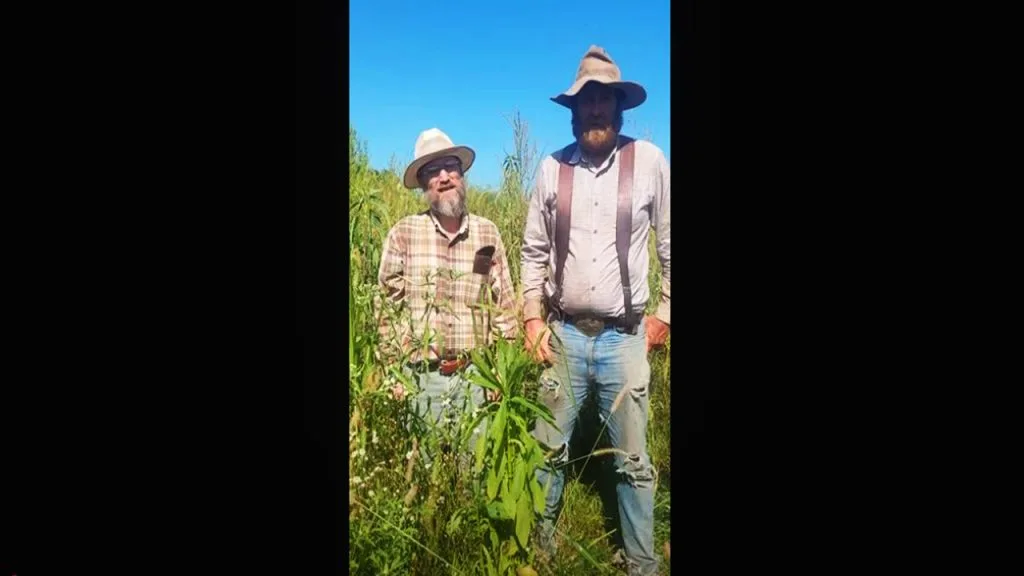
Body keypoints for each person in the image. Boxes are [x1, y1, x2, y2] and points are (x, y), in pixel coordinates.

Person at [520, 46, 670, 576]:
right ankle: (539, 553)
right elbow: (533, 251)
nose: (596, 109)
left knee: (632, 463)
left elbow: (673, 244)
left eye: (604, 97)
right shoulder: (550, 168)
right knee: (548, 452)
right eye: (586, 100)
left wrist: (666, 315)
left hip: (624, 339)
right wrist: (533, 319)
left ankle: (642, 563)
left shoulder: (649, 162)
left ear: (619, 106)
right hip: (561, 336)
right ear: (573, 110)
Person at [378, 128, 518, 448]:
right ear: (424, 185)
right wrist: (391, 373)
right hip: (420, 378)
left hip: (476, 376)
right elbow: (384, 307)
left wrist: (500, 371)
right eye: (431, 171)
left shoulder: (487, 234)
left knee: (475, 473)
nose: (443, 177)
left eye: (450, 167)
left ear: (462, 174)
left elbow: (505, 305)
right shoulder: (404, 233)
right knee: (426, 472)